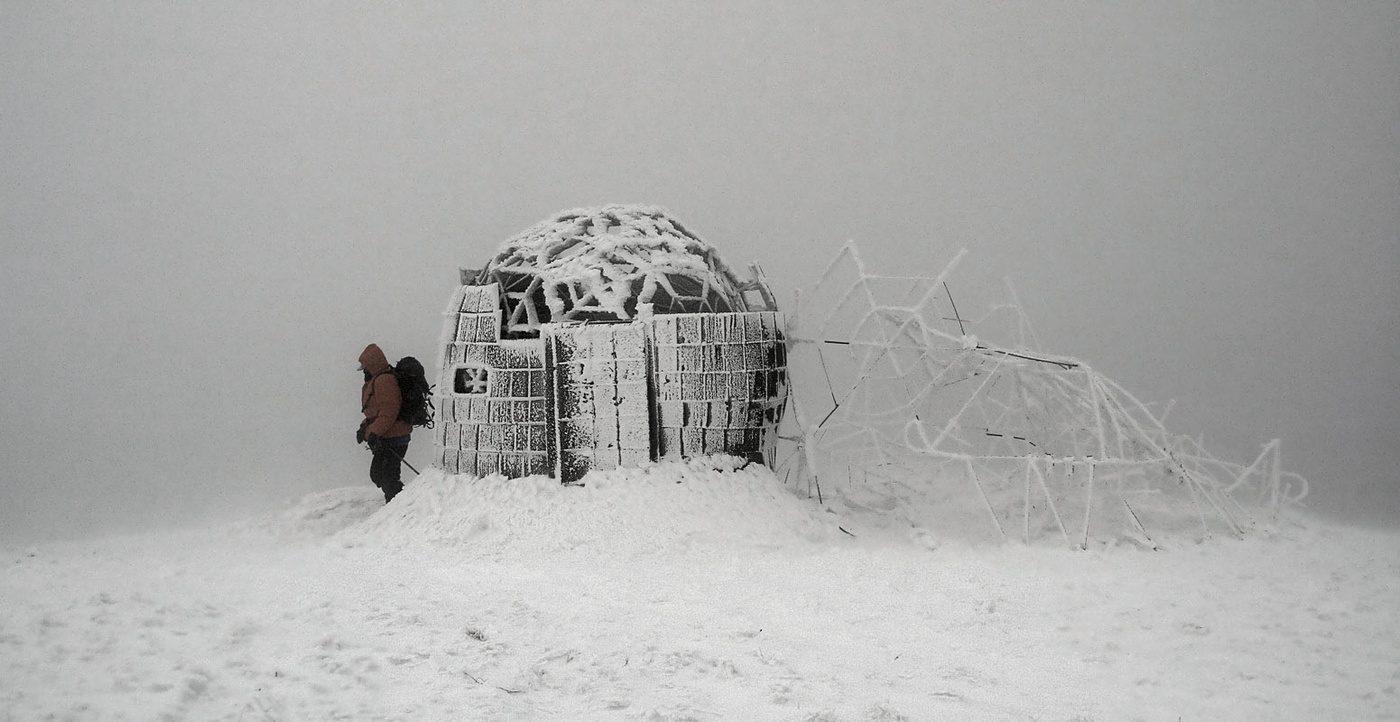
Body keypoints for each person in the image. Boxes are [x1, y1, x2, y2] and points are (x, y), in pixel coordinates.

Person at [357, 343, 412, 503]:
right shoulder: (378, 380)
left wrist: (372, 432)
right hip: (389, 435)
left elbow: (389, 412)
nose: (363, 372)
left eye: (364, 368)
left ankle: (401, 505)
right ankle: (398, 503)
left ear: (371, 366)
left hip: (395, 437)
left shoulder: (384, 381)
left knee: (386, 476)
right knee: (381, 475)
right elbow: (376, 412)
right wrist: (364, 427)